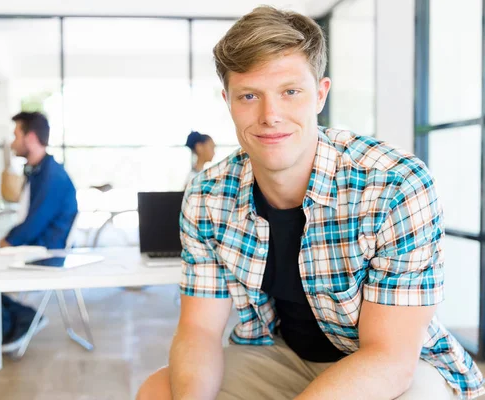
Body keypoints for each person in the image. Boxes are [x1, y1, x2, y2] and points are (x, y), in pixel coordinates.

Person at [138, 6, 484, 400]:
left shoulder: (395, 184)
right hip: (284, 356)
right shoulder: (207, 195)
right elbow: (198, 330)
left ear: (319, 94)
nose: (271, 116)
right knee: (159, 391)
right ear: (228, 101)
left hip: (395, 364)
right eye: (250, 95)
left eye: (290, 92)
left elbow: (390, 358)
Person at [0, 111, 78, 353]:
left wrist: (5, 243)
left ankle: (18, 324)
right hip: (36, 248)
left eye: (16, 135)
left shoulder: (52, 176)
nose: (12, 142)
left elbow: (34, 224)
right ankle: (21, 320)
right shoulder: (39, 171)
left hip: (45, 255)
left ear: (30, 138)